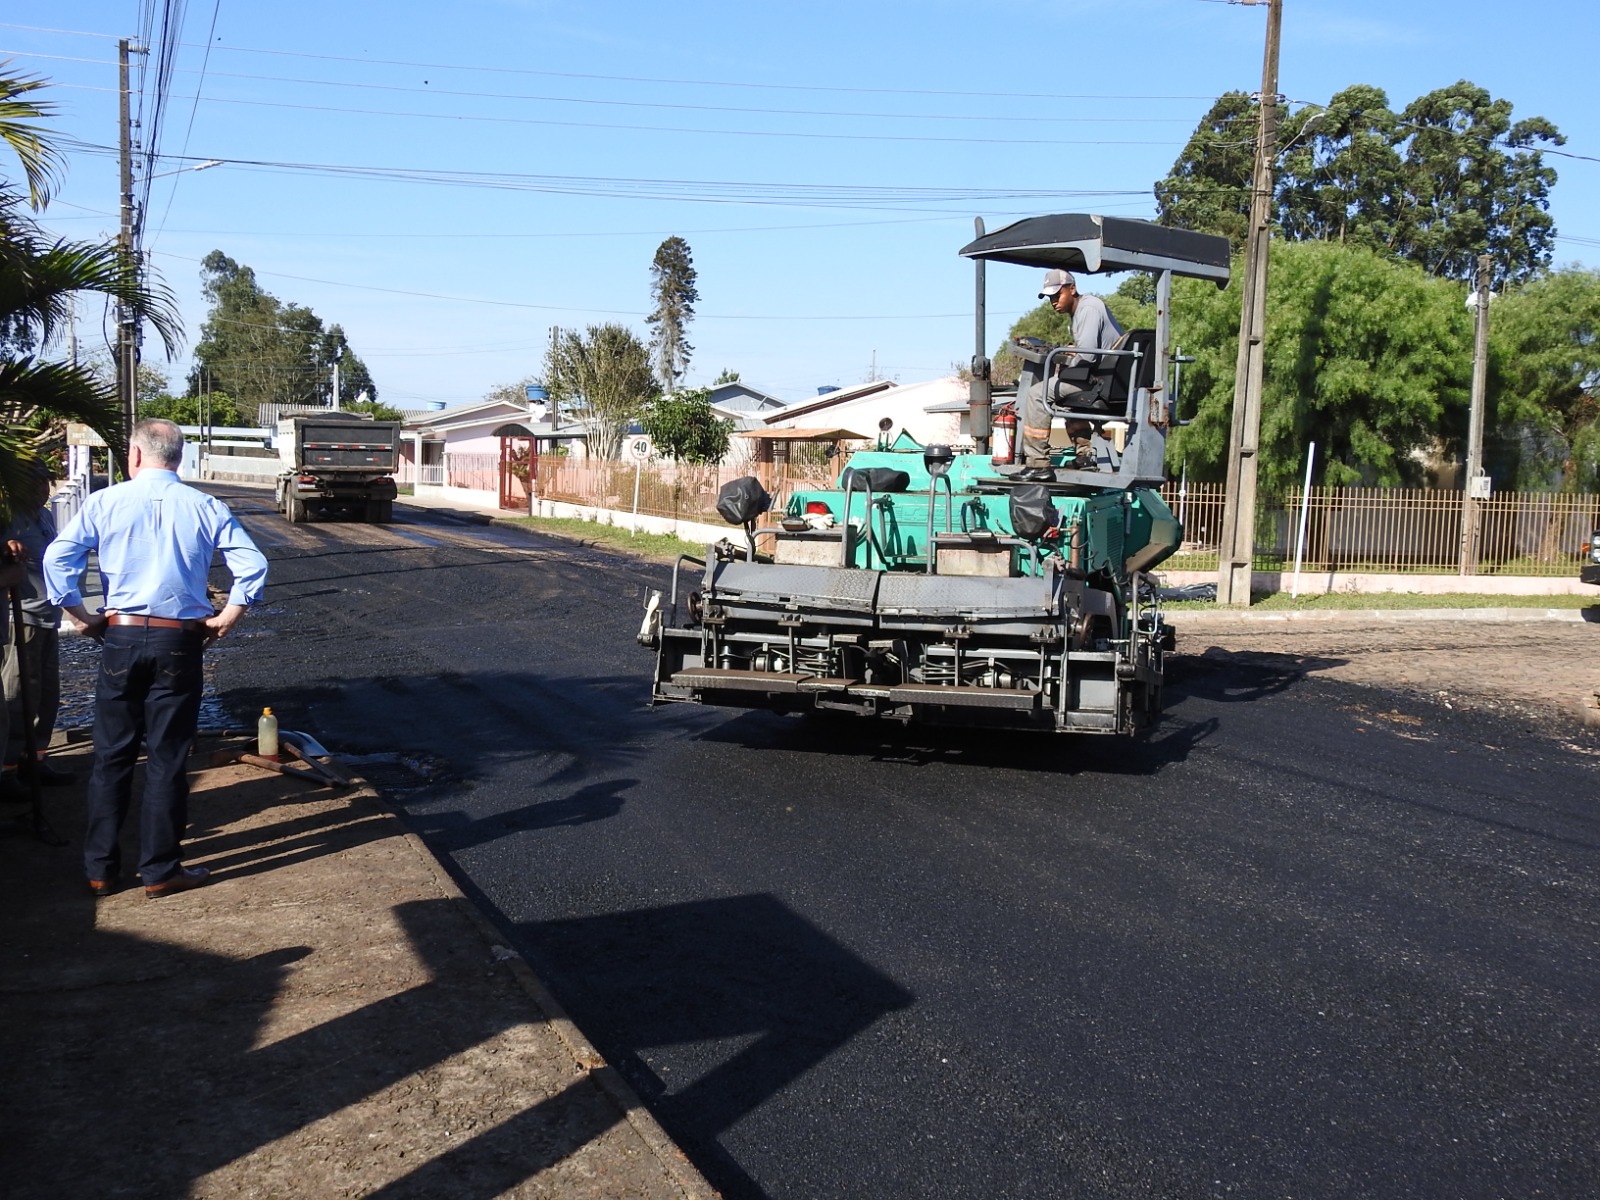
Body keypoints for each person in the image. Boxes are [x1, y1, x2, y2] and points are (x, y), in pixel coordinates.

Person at [43, 419, 268, 899]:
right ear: (178, 458)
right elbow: (252, 564)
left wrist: (81, 616)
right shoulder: (205, 506)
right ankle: (161, 870)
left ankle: (101, 870)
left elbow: (56, 559)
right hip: (178, 641)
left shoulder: (104, 502)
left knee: (111, 755)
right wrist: (228, 617)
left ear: (135, 455)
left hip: (121, 637)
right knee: (167, 757)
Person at [3, 465, 70, 790]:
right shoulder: (8, 517)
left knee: (46, 694)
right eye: (35, 482)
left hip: (48, 616)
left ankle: (36, 760)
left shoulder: (44, 516)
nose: (43, 488)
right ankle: (8, 767)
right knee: (18, 696)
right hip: (22, 618)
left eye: (46, 482)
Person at [1019, 268, 1123, 477]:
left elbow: (1087, 357)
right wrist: (1072, 352)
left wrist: (1068, 357)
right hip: (1104, 377)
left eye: (1057, 295)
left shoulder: (1088, 309)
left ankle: (1037, 463)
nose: (1054, 302)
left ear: (1072, 289)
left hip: (1100, 380)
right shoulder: (1083, 310)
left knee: (1037, 394)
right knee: (1061, 392)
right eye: (1050, 298)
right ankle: (1084, 455)